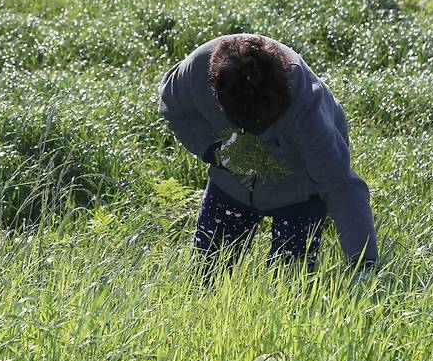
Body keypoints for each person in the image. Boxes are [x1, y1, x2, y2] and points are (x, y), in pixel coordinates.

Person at [157, 34, 378, 282]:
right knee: (206, 275)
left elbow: (341, 186)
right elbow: (173, 107)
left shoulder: (308, 110)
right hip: (231, 179)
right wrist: (212, 150)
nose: (257, 131)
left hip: (301, 185)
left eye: (264, 122)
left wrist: (363, 264)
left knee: (291, 282)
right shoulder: (196, 70)